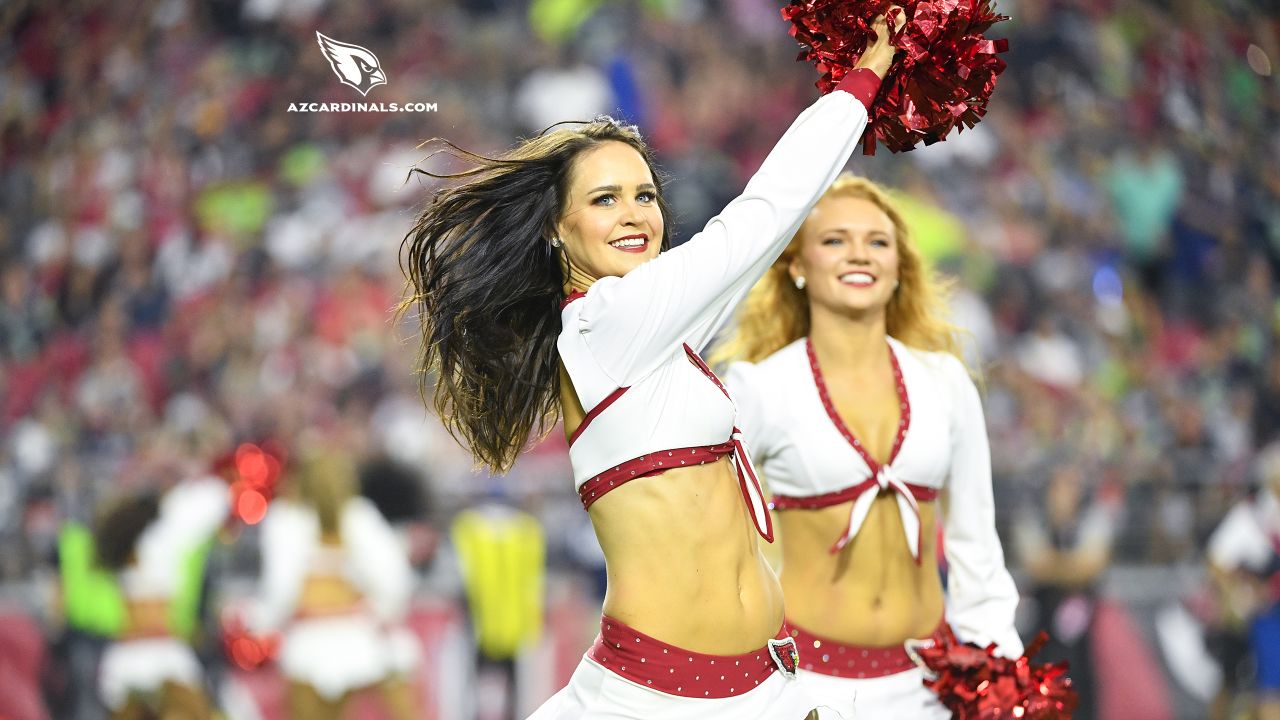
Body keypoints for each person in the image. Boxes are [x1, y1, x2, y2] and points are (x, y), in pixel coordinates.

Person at [399, 11, 903, 718]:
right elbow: (762, 218)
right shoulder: (608, 322)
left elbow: (755, 265)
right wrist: (862, 80)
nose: (636, 214)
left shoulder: (659, 331)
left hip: (767, 686)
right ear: (556, 229)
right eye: (605, 199)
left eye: (645, 195)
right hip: (661, 701)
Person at [718, 175, 1023, 719]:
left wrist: (998, 664)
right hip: (808, 690)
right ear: (797, 266)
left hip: (935, 687)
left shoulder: (945, 382)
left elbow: (976, 544)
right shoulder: (758, 388)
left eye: (877, 241)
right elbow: (717, 546)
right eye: (835, 240)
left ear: (900, 268)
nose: (858, 252)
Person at [252, 449, 418, 720]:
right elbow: (394, 581)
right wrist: (379, 612)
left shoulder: (286, 520)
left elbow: (280, 590)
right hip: (360, 641)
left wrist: (265, 621)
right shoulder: (359, 516)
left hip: (309, 646)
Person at [91, 477, 228, 719]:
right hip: (165, 658)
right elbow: (214, 497)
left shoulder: (125, 561)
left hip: (123, 661)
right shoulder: (160, 545)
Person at [1206, 443, 1280, 720]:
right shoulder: (1254, 515)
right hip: (1267, 616)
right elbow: (1217, 559)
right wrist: (1237, 595)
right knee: (1265, 691)